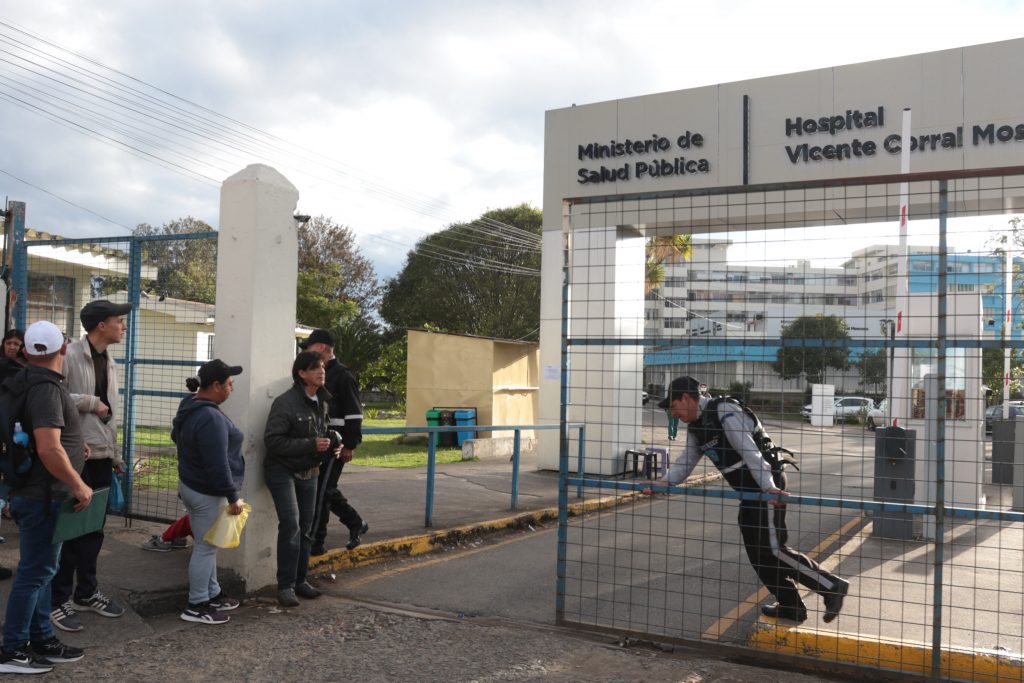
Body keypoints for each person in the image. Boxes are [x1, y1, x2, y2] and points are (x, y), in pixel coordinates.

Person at [659, 376, 850, 624]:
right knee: (758, 554)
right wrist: (663, 482)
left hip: (766, 486)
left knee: (772, 549)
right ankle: (791, 606)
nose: (674, 415)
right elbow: (686, 460)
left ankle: (830, 585)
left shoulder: (724, 410)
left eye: (674, 408)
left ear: (685, 398)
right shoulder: (697, 427)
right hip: (749, 493)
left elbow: (751, 451)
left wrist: (768, 488)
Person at [0, 321, 91, 673]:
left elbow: (49, 439)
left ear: (25, 351)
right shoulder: (46, 389)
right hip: (44, 496)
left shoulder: (23, 382)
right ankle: (12, 650)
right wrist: (77, 483)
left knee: (42, 571)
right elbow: (49, 448)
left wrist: (73, 447)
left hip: (33, 492)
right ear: (64, 349)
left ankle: (40, 639)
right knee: (34, 573)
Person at [50, 299, 131, 632]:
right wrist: (90, 402)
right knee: (70, 532)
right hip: (75, 457)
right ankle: (57, 600)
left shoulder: (109, 360)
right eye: (118, 321)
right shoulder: (69, 356)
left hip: (100, 456)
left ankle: (86, 592)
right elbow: (51, 395)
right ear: (101, 325)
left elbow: (109, 413)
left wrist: (115, 455)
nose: (123, 326)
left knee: (93, 532)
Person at [173, 359, 246, 625]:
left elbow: (175, 436)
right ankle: (196, 604)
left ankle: (212, 593)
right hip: (206, 491)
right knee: (205, 548)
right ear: (215, 386)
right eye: (229, 384)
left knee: (209, 546)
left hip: (191, 485)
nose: (231, 389)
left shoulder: (190, 404)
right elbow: (218, 465)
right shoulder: (210, 417)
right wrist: (232, 496)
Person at [264, 351, 337, 607]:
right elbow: (273, 441)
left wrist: (332, 446)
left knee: (307, 527)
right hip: (281, 469)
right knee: (291, 525)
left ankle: (300, 580)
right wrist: (311, 444)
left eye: (323, 367)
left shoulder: (323, 401)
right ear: (301, 373)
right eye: (315, 368)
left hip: (310, 470)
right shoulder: (286, 403)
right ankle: (285, 586)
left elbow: (322, 433)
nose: (321, 371)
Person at [300, 329, 368, 556]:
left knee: (322, 490)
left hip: (336, 444)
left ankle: (316, 542)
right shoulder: (313, 374)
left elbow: (355, 414)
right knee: (325, 489)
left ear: (320, 348)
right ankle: (355, 522)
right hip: (317, 442)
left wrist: (350, 445)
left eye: (308, 349)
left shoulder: (343, 375)